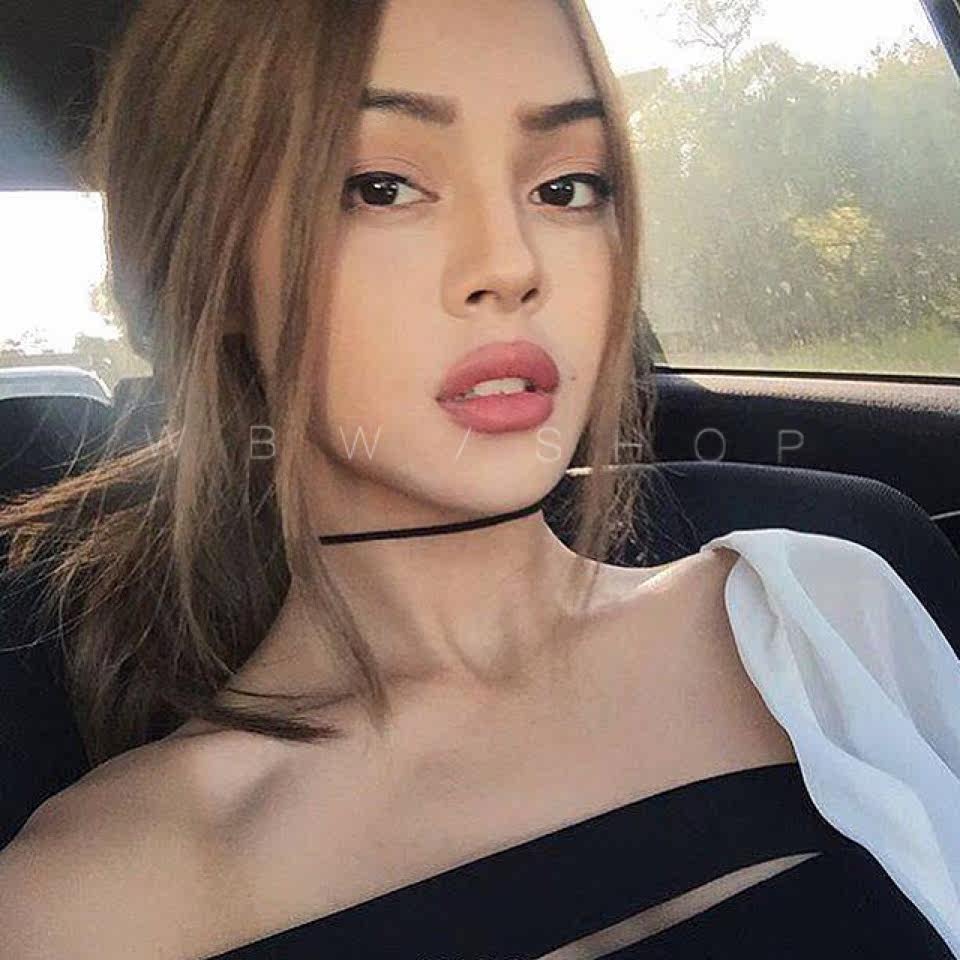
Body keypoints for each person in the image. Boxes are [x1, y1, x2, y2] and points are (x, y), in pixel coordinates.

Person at [0, 0, 957, 957]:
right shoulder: (95, 901)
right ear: (203, 262)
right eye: (380, 187)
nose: (511, 263)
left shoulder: (827, 611)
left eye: (567, 187)